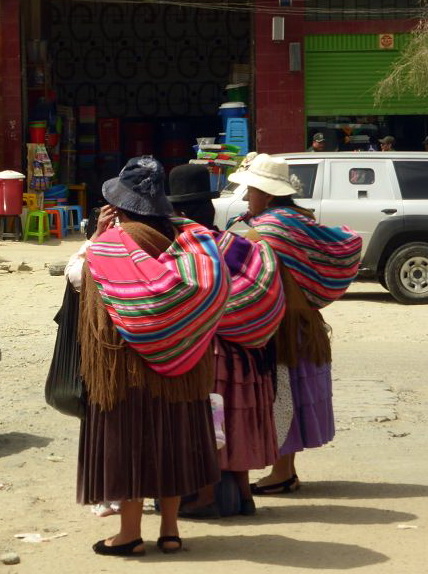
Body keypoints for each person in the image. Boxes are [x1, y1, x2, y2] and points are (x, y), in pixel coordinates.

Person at [65, 156, 231, 556]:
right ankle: (171, 531)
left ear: (119, 206)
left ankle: (129, 534)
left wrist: (94, 238)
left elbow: (77, 277)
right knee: (174, 439)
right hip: (184, 362)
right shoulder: (193, 241)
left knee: (131, 443)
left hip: (126, 366)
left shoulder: (110, 245)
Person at [227, 154, 362, 495]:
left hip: (283, 326)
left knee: (281, 395)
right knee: (293, 394)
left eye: (251, 191)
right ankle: (285, 470)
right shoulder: (298, 218)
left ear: (268, 194)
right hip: (305, 323)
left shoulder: (272, 227)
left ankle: (283, 473)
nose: (246, 198)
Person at [167, 163, 283, 517]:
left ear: (179, 212)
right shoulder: (235, 242)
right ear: (211, 207)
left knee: (209, 422)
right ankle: (245, 495)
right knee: (235, 419)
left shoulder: (188, 249)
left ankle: (205, 495)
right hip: (247, 352)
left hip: (212, 353)